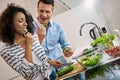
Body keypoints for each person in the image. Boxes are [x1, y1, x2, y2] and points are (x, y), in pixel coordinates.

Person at [0, 3, 62, 80]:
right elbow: (26, 73)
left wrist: (50, 62)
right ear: (10, 24)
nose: (25, 23)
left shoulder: (32, 35)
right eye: (20, 21)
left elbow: (39, 57)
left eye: (25, 20)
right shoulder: (5, 51)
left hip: (52, 73)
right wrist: (28, 45)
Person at [33, 0, 73, 65]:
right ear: (37, 10)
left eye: (47, 11)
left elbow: (65, 44)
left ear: (52, 12)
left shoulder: (58, 26)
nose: (44, 15)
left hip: (61, 64)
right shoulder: (30, 29)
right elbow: (32, 54)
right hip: (45, 68)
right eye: (41, 11)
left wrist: (67, 50)